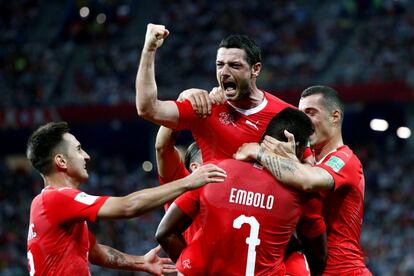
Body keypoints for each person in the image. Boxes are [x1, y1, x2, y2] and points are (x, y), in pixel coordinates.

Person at [26, 121, 226, 276]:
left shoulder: (52, 204)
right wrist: (188, 182)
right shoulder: (56, 199)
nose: (86, 156)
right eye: (78, 149)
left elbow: (96, 253)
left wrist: (141, 262)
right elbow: (128, 206)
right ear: (60, 161)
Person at [156, 108, 327, 275]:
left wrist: (189, 263)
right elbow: (318, 258)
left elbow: (164, 233)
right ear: (296, 146)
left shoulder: (215, 171)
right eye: (306, 150)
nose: (308, 157)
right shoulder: (303, 192)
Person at [235, 86, 371, 275]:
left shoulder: (345, 159)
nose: (304, 121)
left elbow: (308, 181)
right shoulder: (303, 162)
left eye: (311, 112)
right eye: (301, 113)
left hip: (344, 270)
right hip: (311, 267)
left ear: (335, 116)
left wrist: (258, 152)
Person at [135, 23, 293, 162]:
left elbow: (309, 169)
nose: (224, 72)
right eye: (220, 65)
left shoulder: (286, 114)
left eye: (234, 65)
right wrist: (149, 49)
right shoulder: (205, 108)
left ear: (255, 69)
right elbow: (148, 109)